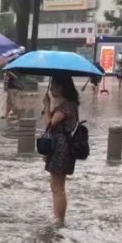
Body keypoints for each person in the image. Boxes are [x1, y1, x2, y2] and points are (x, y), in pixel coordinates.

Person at [41, 73, 80, 227]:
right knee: (56, 185)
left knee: (58, 187)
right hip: (60, 147)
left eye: (53, 86)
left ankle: (59, 219)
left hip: (61, 149)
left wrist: (46, 106)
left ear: (62, 87)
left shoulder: (66, 107)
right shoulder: (68, 105)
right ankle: (57, 214)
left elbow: (49, 124)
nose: (51, 89)